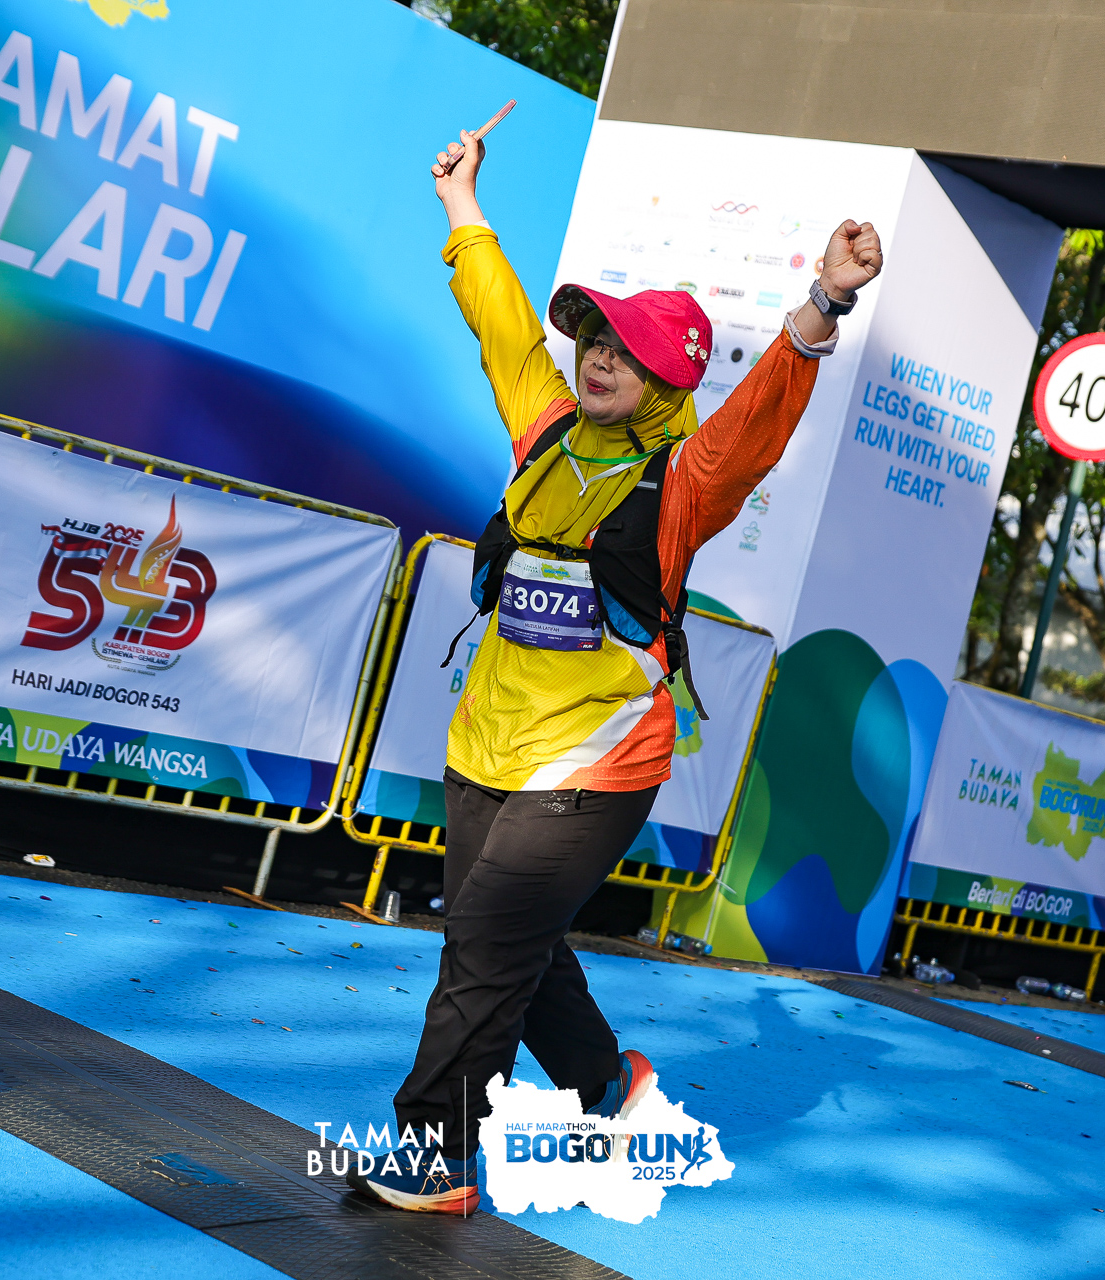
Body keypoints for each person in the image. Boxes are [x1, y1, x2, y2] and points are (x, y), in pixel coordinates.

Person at [347, 124, 883, 1214]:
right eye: (594, 337)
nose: (599, 357)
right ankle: (607, 1084)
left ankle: (438, 1150)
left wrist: (824, 302)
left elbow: (757, 422)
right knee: (511, 939)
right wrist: (462, 205)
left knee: (486, 942)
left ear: (668, 378)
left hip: (598, 761)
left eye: (628, 352)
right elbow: (502, 321)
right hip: (486, 741)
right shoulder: (545, 433)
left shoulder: (686, 478)